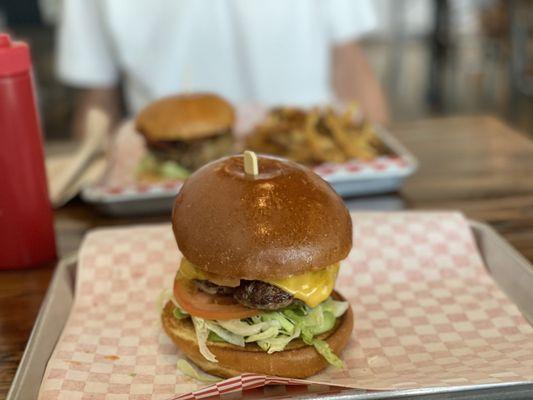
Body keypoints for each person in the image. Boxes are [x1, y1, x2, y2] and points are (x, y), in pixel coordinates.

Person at [56, 0, 388, 137]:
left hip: (317, 159)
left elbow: (348, 63)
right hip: (167, 192)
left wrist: (375, 155)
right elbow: (98, 100)